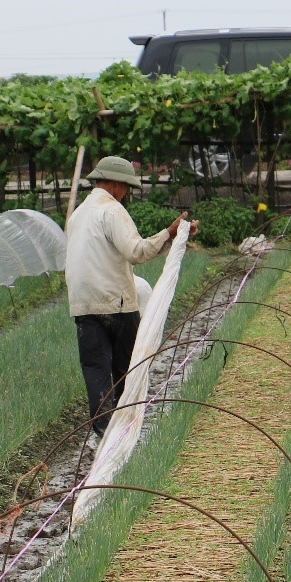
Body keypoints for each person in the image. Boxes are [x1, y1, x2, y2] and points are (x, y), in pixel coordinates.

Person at [65, 154, 198, 436]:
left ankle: (103, 434)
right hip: (117, 305)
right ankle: (125, 432)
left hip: (83, 306)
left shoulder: (78, 214)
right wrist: (169, 233)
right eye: (125, 187)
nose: (125, 193)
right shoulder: (111, 210)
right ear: (114, 184)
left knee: (95, 371)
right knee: (127, 372)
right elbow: (136, 252)